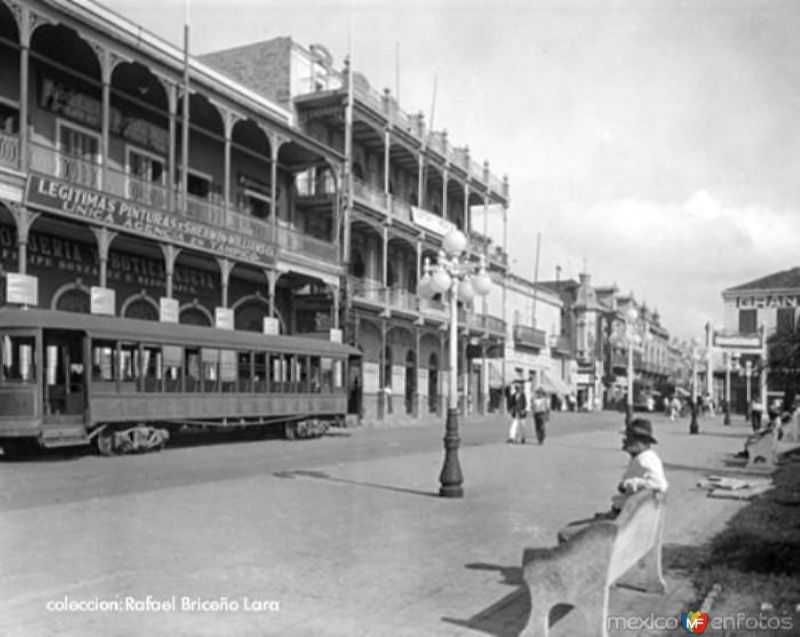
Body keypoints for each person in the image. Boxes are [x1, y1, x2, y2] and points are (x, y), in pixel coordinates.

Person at [557, 418, 668, 543]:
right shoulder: (645, 458)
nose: (624, 441)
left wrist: (629, 484)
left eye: (629, 438)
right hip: (626, 519)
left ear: (639, 442)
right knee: (573, 527)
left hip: (621, 522)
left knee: (565, 534)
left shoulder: (645, 460)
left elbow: (660, 485)